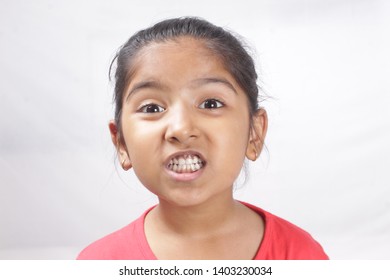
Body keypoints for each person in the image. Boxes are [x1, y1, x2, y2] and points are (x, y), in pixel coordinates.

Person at [77, 17, 328, 260]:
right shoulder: (99, 262)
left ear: (254, 133)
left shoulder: (301, 257)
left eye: (210, 103)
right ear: (121, 142)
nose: (181, 128)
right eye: (152, 108)